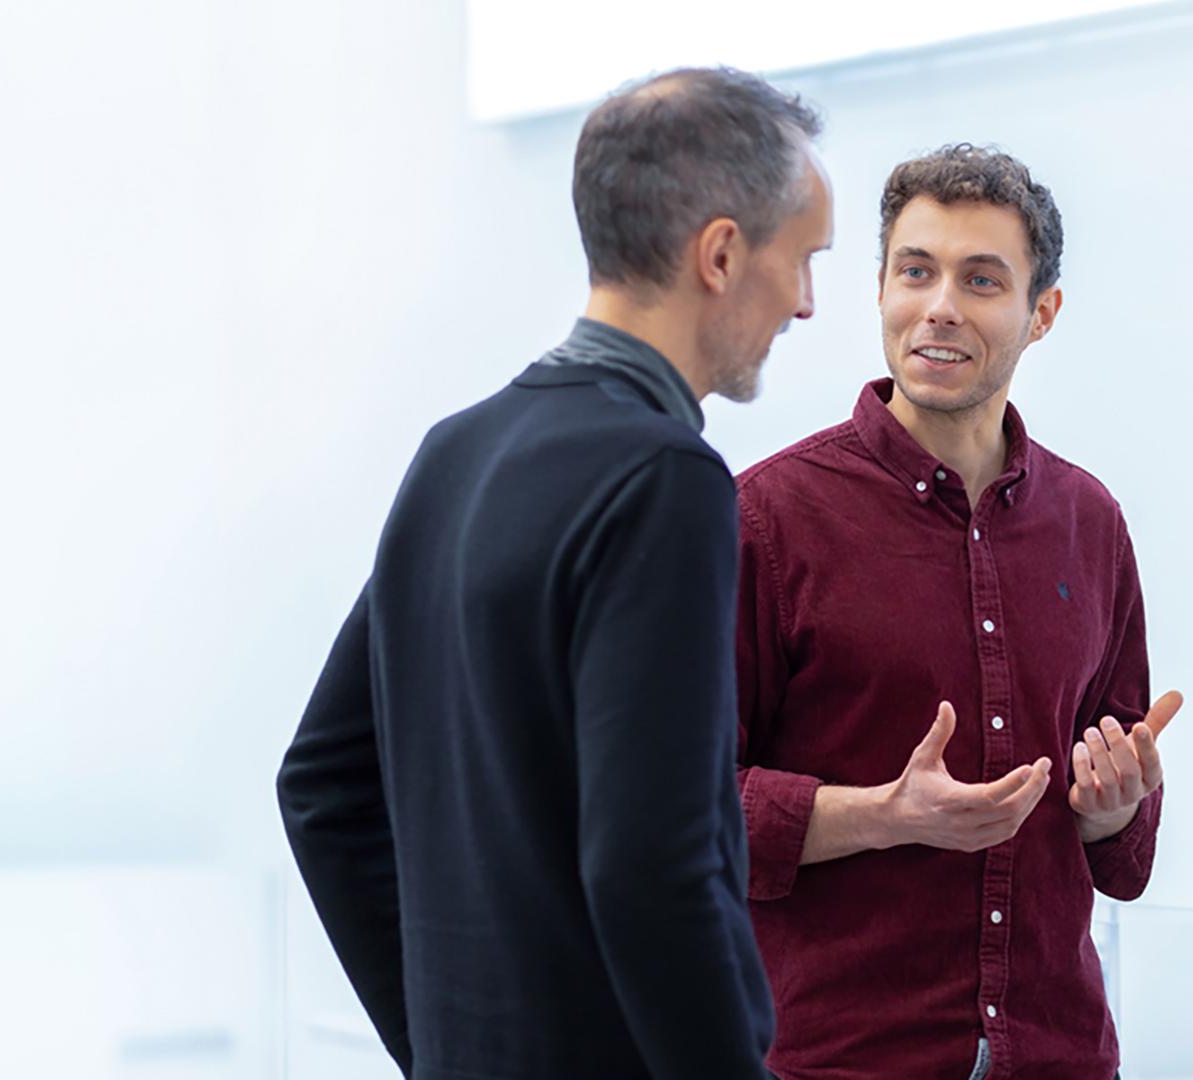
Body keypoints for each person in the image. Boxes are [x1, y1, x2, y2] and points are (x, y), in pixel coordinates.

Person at [276, 66, 834, 1080]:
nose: (806, 303)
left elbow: (322, 787)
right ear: (720, 254)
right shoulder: (666, 478)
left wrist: (444, 1043)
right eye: (802, 261)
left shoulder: (455, 450)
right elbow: (651, 867)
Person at [732, 143, 1181, 1080]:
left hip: (1058, 1055)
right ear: (882, 289)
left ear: (1040, 313)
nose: (940, 306)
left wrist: (1116, 807)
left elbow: (1124, 861)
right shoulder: (766, 518)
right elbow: (681, 816)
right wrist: (883, 815)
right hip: (843, 1060)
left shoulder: (1089, 522)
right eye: (916, 271)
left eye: (981, 279)